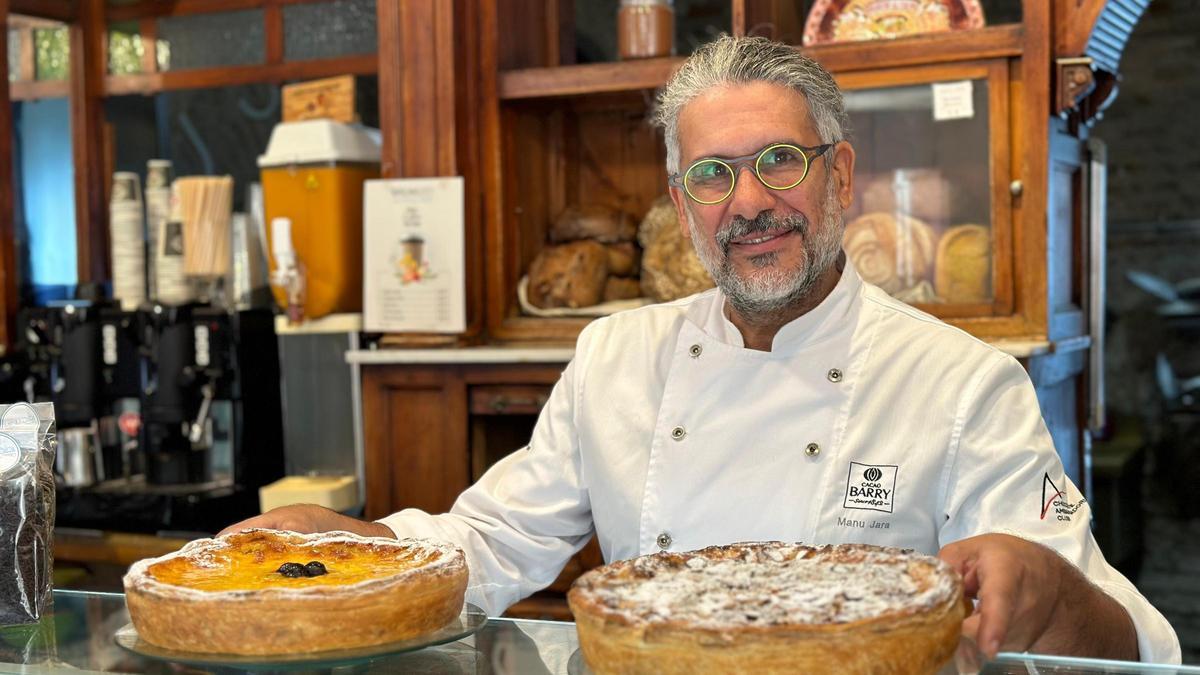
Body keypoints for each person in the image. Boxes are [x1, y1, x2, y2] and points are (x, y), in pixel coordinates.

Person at [225, 36, 1180, 664]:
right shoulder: (614, 357)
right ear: (685, 208)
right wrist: (362, 544)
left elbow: (1123, 645)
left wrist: (1048, 587)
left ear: (839, 174)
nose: (750, 202)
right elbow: (489, 543)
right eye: (714, 176)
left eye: (779, 161)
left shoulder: (963, 381)